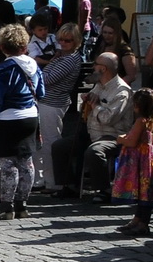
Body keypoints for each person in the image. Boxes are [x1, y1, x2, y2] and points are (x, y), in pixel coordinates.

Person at [0, 23, 44, 220]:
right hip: (30, 118)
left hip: (7, 120)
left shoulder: (2, 69)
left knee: (8, 164)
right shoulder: (34, 66)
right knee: (26, 163)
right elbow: (41, 93)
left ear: (3, 47)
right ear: (24, 45)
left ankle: (6, 206)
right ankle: (22, 205)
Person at [53, 51, 132, 198]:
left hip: (112, 135)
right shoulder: (99, 85)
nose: (93, 67)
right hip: (91, 132)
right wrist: (86, 100)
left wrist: (95, 105)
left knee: (95, 151)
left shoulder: (122, 91)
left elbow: (108, 119)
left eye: (95, 65)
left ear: (103, 69)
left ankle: (104, 190)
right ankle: (69, 185)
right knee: (60, 146)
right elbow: (87, 108)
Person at [35, 24, 83, 193]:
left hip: (53, 103)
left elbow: (47, 79)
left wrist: (33, 70)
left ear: (75, 41)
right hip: (47, 101)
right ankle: (43, 179)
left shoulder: (70, 59)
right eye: (61, 39)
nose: (63, 43)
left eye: (68, 40)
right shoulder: (61, 56)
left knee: (50, 142)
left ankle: (54, 181)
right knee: (42, 143)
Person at [111, 89, 153, 236]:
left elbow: (131, 142)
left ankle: (142, 224)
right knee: (145, 192)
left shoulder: (140, 121)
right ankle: (138, 219)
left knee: (142, 192)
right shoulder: (152, 121)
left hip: (139, 162)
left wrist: (121, 139)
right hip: (149, 161)